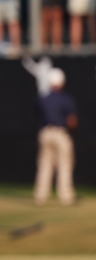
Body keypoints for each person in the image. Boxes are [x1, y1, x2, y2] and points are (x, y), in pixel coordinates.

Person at [34, 68, 77, 206]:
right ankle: (66, 196)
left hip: (45, 132)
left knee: (45, 165)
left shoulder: (43, 99)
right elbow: (72, 120)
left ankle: (40, 196)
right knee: (64, 164)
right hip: (60, 133)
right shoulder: (65, 99)